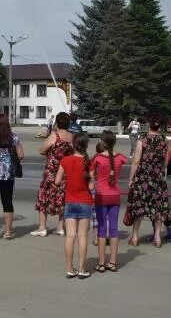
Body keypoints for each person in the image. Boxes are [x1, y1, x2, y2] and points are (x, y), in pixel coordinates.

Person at [126, 113, 169, 248]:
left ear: (149, 125)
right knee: (157, 208)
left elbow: (136, 160)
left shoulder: (142, 139)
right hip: (157, 178)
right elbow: (166, 161)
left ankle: (135, 237)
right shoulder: (163, 140)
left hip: (142, 178)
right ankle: (157, 238)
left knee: (139, 206)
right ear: (159, 126)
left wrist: (131, 178)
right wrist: (159, 170)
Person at [55, 132, 94, 279]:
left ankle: (70, 268)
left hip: (70, 201)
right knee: (82, 236)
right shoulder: (88, 162)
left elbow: (57, 181)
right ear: (86, 145)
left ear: (73, 144)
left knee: (70, 235)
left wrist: (68, 178)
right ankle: (82, 268)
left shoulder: (65, 160)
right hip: (85, 201)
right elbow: (91, 187)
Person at [91, 131, 127, 272]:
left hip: (101, 195)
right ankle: (112, 262)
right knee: (113, 229)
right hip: (115, 195)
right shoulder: (120, 158)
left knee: (101, 229)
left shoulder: (98, 158)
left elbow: (91, 174)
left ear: (102, 142)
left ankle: (101, 262)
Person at [32, 112, 73, 237]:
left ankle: (42, 227)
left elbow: (41, 150)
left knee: (44, 198)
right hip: (66, 172)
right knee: (62, 198)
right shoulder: (72, 137)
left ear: (57, 123)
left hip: (51, 171)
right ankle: (61, 227)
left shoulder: (54, 136)